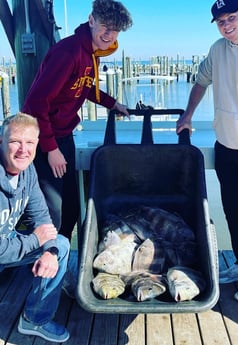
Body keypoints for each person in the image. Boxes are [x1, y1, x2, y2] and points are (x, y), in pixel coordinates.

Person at [177, 0, 238, 303]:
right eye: (220, 21)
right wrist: (188, 114)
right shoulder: (218, 49)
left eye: (232, 18)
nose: (227, 25)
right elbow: (201, 81)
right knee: (232, 208)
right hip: (225, 146)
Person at [22, 0, 133, 241]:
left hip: (63, 136)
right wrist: (50, 149)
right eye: (105, 26)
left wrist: (113, 104)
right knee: (52, 212)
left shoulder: (91, 55)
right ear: (92, 20)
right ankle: (40, 268)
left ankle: (57, 260)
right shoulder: (69, 52)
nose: (108, 34)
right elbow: (36, 102)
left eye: (114, 30)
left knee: (71, 208)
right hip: (43, 140)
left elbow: (86, 88)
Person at [0, 113, 70, 342]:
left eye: (29, 143)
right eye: (15, 142)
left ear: (37, 144)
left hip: (6, 239)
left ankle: (34, 319)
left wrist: (49, 250)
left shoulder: (27, 170)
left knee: (61, 246)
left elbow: (40, 214)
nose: (23, 150)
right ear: (1, 141)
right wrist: (34, 241)